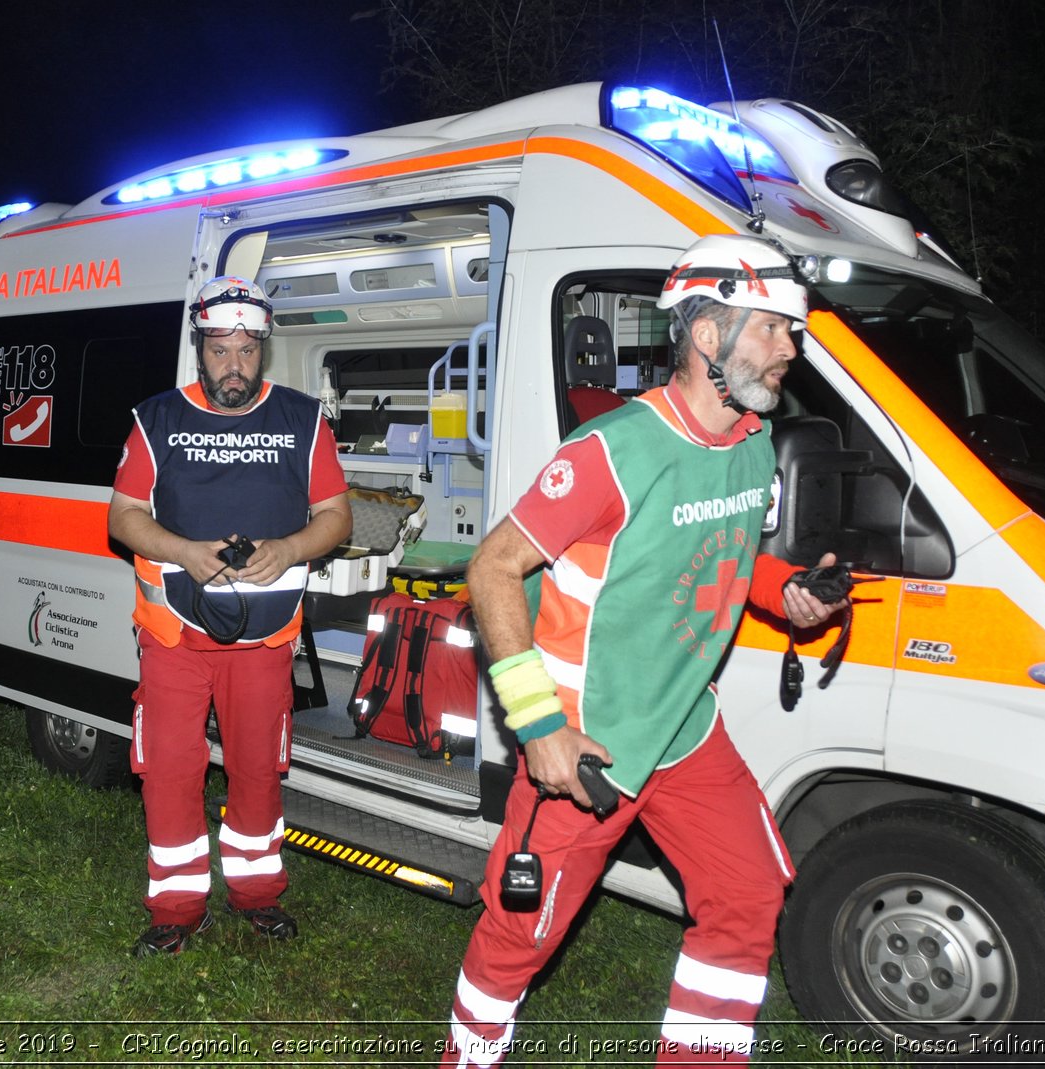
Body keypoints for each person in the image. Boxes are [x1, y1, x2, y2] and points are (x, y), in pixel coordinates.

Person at [440, 234, 848, 1065]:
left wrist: (786, 593)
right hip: (590, 739)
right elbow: (492, 567)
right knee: (524, 928)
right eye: (773, 328)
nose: (790, 350)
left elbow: (713, 561)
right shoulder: (614, 451)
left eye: (793, 333)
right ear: (707, 336)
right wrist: (538, 725)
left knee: (748, 890)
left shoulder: (751, 441)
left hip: (686, 731)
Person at [109, 276, 351, 956]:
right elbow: (122, 517)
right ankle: (177, 908)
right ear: (200, 347)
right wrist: (185, 549)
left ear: (264, 350)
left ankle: (256, 894)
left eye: (248, 350)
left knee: (255, 770)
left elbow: (336, 516)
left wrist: (288, 548)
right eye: (221, 350)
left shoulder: (304, 420)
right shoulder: (154, 419)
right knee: (170, 772)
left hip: (265, 641)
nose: (234, 366)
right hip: (173, 639)